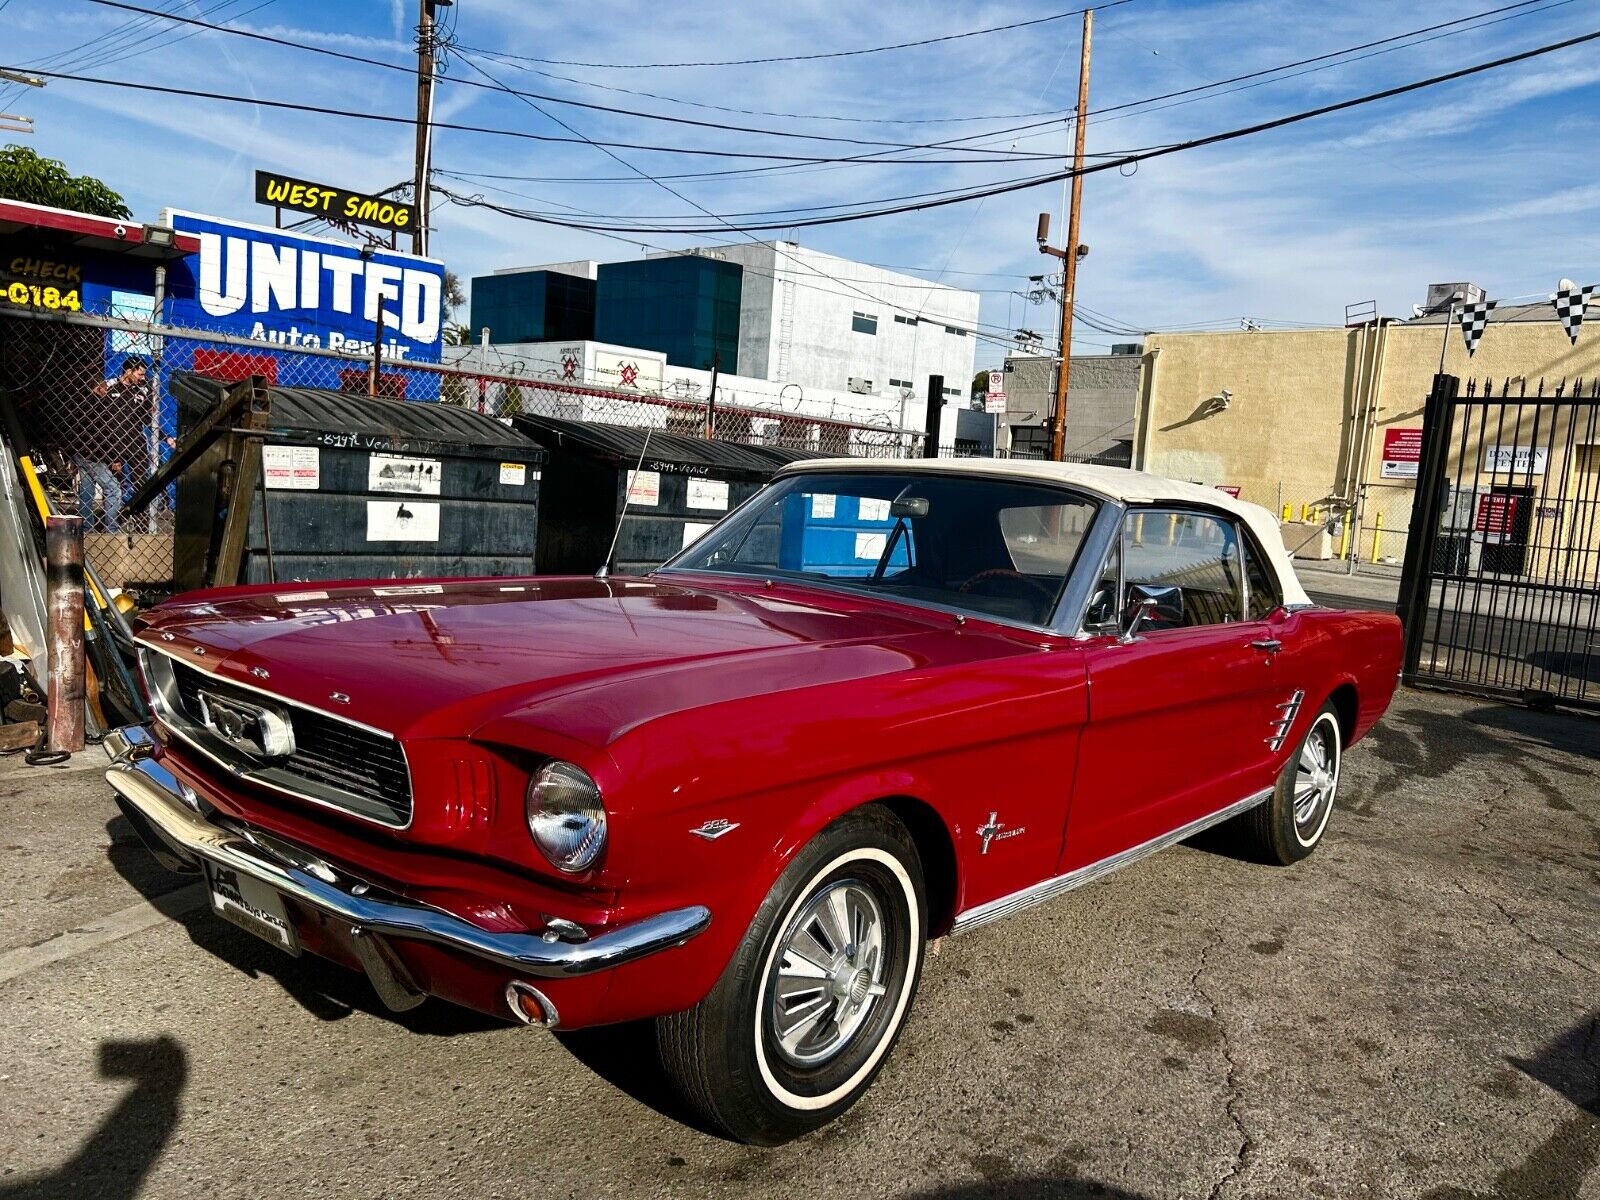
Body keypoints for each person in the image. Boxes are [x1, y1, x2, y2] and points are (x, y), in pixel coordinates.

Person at [78, 357, 151, 532]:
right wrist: (113, 455)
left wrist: (165, 437)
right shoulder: (108, 387)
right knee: (112, 487)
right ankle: (110, 523)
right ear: (128, 371)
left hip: (136, 446)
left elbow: (147, 418)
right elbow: (102, 422)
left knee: (141, 484)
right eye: (140, 374)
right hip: (113, 447)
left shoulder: (143, 389)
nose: (143, 378)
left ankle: (141, 525)